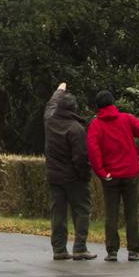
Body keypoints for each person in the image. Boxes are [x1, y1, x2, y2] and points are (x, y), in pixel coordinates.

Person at [87, 90, 139, 262]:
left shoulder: (96, 125)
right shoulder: (127, 119)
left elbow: (94, 152)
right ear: (113, 102)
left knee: (111, 213)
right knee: (131, 213)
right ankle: (134, 250)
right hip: (130, 172)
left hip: (111, 175)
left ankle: (112, 251)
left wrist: (101, 172)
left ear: (98, 106)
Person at [44, 82, 94, 260]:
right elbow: (80, 157)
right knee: (82, 210)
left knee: (58, 212)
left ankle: (59, 249)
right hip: (74, 177)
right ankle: (80, 247)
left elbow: (51, 104)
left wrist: (59, 90)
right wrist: (86, 175)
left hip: (54, 176)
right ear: (74, 108)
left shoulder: (50, 119)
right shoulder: (76, 129)